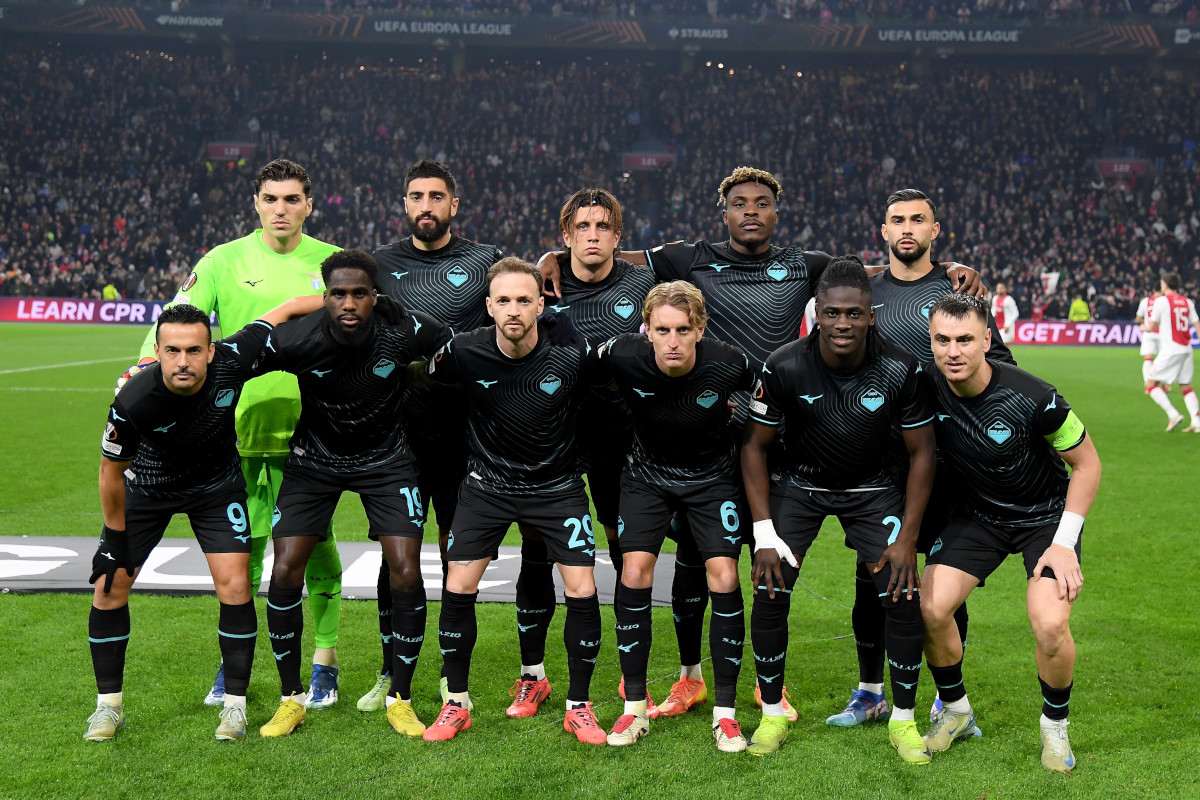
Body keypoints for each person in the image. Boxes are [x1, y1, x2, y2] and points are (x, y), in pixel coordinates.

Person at [539, 167, 981, 722]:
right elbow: (619, 257)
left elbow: (862, 277)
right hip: (712, 436)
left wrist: (947, 270)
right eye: (740, 203)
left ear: (776, 212)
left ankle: (769, 686)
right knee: (699, 560)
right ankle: (690, 678)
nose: (750, 211)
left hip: (784, 438)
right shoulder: (690, 258)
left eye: (762, 203)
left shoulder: (806, 264)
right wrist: (548, 261)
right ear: (723, 212)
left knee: (766, 563)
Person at [126, 159, 346, 709]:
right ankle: (234, 665)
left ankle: (326, 661)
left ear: (309, 205)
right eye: (271, 198)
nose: (281, 209)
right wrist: (139, 373)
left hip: (312, 427)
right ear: (255, 203)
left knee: (314, 545)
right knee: (241, 550)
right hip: (232, 428)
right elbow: (174, 325)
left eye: (292, 199)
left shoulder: (331, 263)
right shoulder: (223, 260)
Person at [86, 298, 319, 743]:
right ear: (157, 352)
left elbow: (280, 313)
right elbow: (109, 471)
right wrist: (114, 536)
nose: (183, 361)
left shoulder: (233, 361)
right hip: (148, 488)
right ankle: (107, 708)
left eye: (194, 350)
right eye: (172, 351)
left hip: (215, 486)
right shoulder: (134, 397)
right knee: (109, 586)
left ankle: (235, 708)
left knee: (235, 586)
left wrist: (342, 297)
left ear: (211, 351)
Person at [830, 188, 1013, 729]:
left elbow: (997, 363)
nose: (907, 228)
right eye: (896, 220)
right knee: (872, 576)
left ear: (937, 231)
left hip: (951, 462)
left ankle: (944, 699)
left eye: (918, 220)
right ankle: (869, 691)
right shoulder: (862, 292)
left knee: (942, 578)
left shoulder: (960, 293)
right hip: (879, 463)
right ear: (882, 232)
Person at [741, 257, 936, 762]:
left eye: (854, 314)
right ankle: (770, 715)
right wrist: (764, 532)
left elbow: (922, 453)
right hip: (799, 487)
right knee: (769, 585)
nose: (843, 323)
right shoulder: (783, 364)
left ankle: (903, 721)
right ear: (818, 313)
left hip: (873, 489)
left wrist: (908, 539)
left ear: (872, 316)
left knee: (902, 592)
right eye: (832, 314)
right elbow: (754, 448)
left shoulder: (901, 368)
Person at [254, 250, 452, 739]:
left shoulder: (400, 332)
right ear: (324, 298)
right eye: (338, 294)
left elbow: (449, 345)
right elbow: (233, 362)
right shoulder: (297, 338)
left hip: (386, 460)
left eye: (359, 294)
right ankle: (290, 699)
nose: (348, 303)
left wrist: (419, 364)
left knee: (406, 568)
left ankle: (400, 697)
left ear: (373, 297)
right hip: (314, 460)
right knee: (283, 569)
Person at [422, 258, 605, 745]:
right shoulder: (464, 352)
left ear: (541, 305)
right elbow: (424, 387)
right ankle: (455, 704)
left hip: (557, 487)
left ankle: (578, 707)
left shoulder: (572, 356)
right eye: (503, 300)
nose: (513, 310)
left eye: (524, 300)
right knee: (458, 585)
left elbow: (609, 398)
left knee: (582, 590)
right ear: (488, 306)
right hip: (488, 487)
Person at [921, 293, 1101, 773]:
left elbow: (1087, 465)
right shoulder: (925, 387)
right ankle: (956, 712)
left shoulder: (1035, 395)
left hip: (1044, 519)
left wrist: (1064, 543)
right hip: (977, 516)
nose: (953, 351)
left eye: (964, 340)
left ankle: (1054, 729)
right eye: (942, 340)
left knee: (1049, 623)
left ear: (986, 340)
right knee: (932, 608)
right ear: (931, 341)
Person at [365, 159, 502, 712]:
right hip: (395, 438)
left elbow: (524, 299)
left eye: (436, 196)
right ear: (405, 205)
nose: (426, 205)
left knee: (458, 556)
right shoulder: (379, 265)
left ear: (454, 204)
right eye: (416, 196)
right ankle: (389, 670)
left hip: (465, 437)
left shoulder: (485, 261)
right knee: (393, 559)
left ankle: (451, 676)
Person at [595, 281, 755, 752]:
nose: (672, 341)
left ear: (700, 329)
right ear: (646, 329)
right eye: (662, 329)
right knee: (635, 570)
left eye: (683, 330)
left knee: (724, 574)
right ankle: (635, 709)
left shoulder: (727, 361)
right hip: (646, 475)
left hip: (712, 479)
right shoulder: (623, 354)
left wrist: (745, 417)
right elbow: (574, 369)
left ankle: (725, 714)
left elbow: (775, 389)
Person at [544, 188, 657, 714]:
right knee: (540, 552)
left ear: (617, 235)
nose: (593, 235)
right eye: (582, 227)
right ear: (565, 237)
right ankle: (533, 674)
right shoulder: (542, 284)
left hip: (622, 439)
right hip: (556, 436)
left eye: (603, 226)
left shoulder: (643, 283)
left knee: (622, 548)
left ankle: (630, 663)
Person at [1143, 272, 1200, 432]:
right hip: (1186, 349)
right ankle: (1197, 422)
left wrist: (1143, 327)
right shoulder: (1187, 302)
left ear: (1166, 285)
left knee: (1150, 384)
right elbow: (1197, 324)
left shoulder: (1161, 301)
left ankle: (1173, 414)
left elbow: (1152, 327)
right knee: (1185, 385)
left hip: (1170, 350)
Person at [1134, 288, 1164, 395]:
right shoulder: (1164, 301)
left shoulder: (1145, 301)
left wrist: (1146, 323)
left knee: (1148, 359)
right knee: (1163, 359)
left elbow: (1138, 319)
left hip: (1148, 332)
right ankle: (1164, 385)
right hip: (1163, 334)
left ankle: (1148, 385)